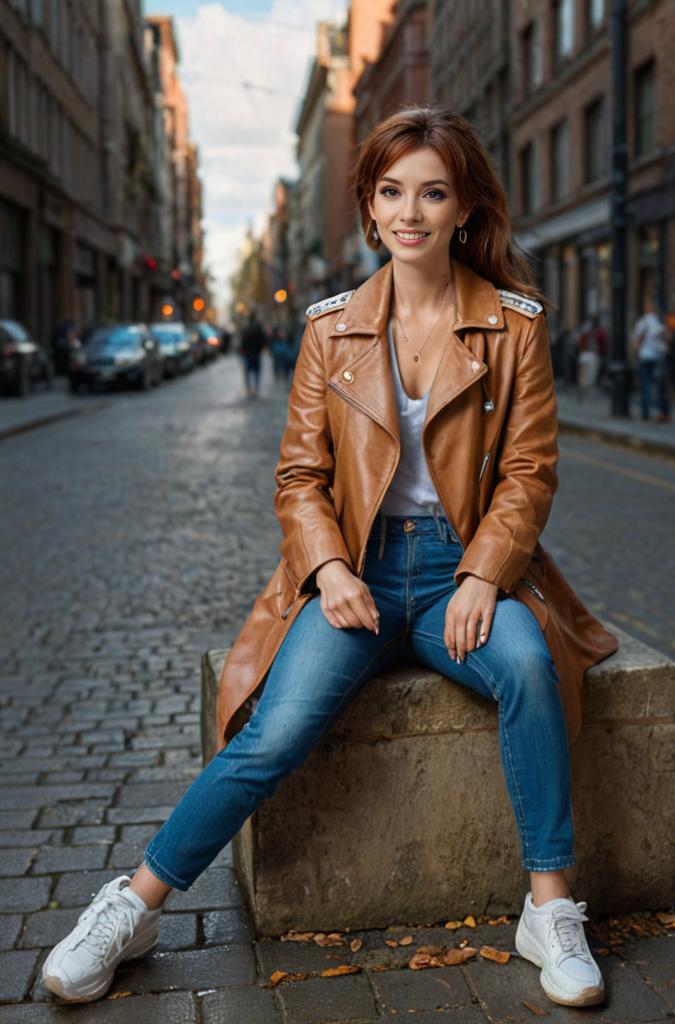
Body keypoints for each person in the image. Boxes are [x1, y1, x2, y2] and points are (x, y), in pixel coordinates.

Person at [42, 106, 619, 1010]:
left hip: (458, 574)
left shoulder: (514, 326)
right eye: (392, 191)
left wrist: (484, 574)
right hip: (356, 574)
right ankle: (133, 904)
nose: (411, 211)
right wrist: (332, 571)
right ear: (369, 205)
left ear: (464, 207)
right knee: (275, 729)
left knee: (529, 669)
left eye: (432, 192)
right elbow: (299, 476)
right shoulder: (332, 329)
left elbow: (529, 471)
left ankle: (548, 909)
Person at [631, 298, 671, 422]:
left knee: (646, 385)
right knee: (657, 385)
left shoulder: (642, 322)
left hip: (645, 356)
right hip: (658, 356)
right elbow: (668, 339)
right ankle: (660, 411)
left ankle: (646, 412)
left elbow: (637, 341)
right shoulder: (660, 323)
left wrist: (637, 353)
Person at [239, 313, 266, 397]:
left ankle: (249, 389)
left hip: (248, 353)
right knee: (256, 371)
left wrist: (243, 350)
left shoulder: (246, 328)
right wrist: (261, 348)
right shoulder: (258, 327)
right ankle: (256, 388)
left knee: (247, 372)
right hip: (256, 353)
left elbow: (243, 340)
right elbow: (263, 339)